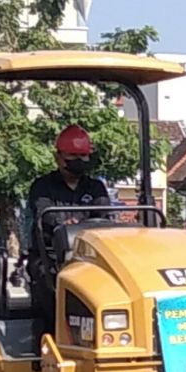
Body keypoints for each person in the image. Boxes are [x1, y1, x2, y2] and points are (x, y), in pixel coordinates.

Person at [27, 125, 111, 336]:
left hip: (89, 257)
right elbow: (45, 215)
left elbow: (103, 215)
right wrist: (63, 226)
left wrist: (78, 227)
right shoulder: (42, 187)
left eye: (83, 156)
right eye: (73, 155)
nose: (79, 161)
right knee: (50, 284)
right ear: (58, 157)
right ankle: (51, 337)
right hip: (51, 256)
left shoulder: (95, 188)